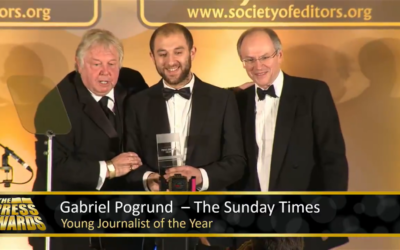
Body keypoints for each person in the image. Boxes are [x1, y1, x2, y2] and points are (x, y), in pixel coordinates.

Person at [124, 23, 246, 249]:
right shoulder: (136, 104)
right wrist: (149, 180)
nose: (170, 62)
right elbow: (130, 163)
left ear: (192, 52)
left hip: (211, 222)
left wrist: (200, 175)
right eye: (162, 54)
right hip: (157, 223)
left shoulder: (223, 100)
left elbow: (237, 162)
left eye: (178, 52)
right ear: (152, 57)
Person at [232, 27, 349, 250]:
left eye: (265, 57)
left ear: (280, 55)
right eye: (249, 60)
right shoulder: (237, 101)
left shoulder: (313, 92)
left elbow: (333, 159)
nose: (258, 66)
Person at [31, 28, 146, 250]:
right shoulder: (54, 106)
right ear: (79, 63)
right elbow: (54, 168)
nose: (105, 72)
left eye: (112, 64)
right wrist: (110, 168)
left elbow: (152, 126)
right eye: (96, 64)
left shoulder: (133, 83)